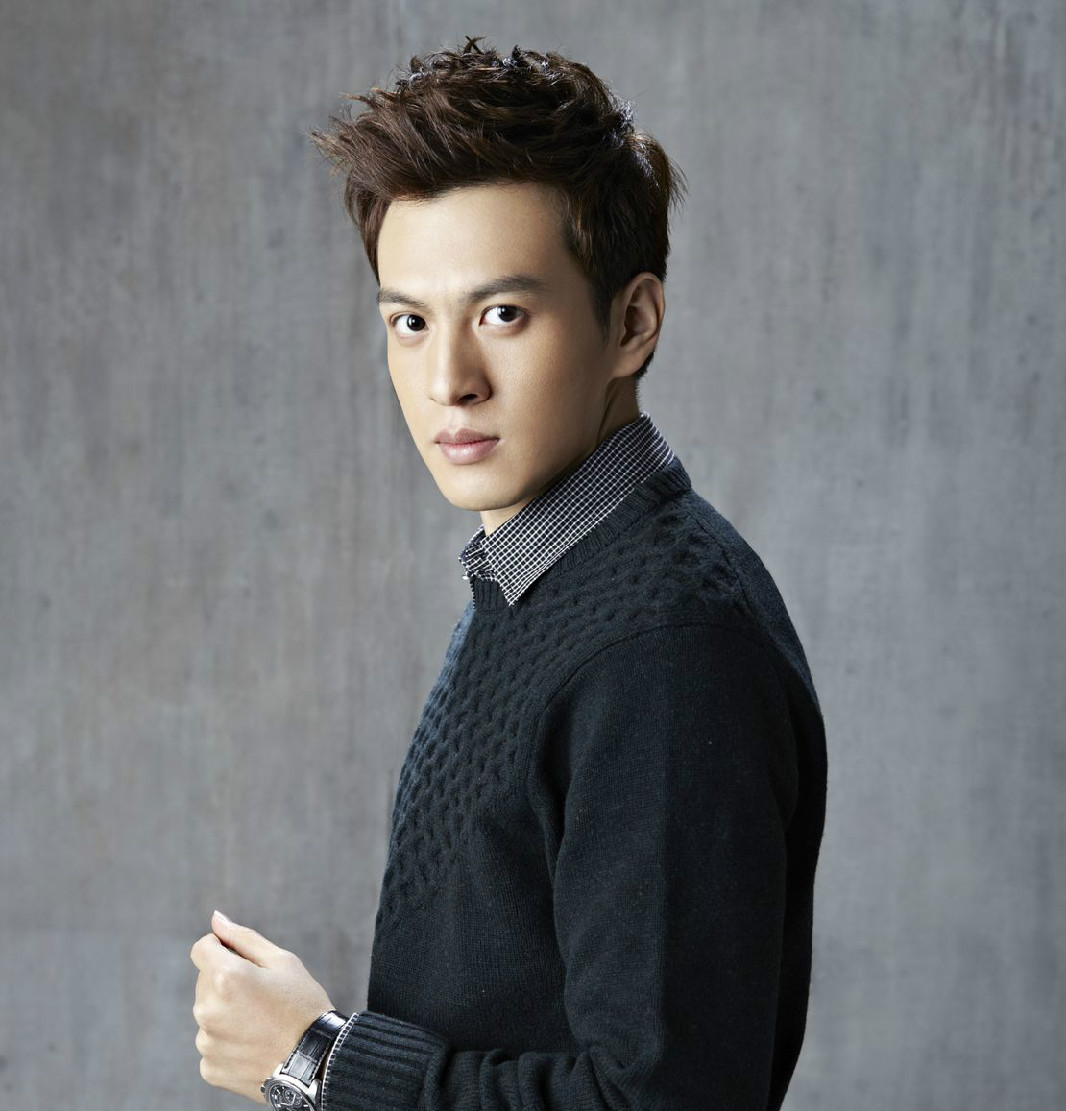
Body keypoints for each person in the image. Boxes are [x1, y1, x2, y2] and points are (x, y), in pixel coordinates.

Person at [191, 33, 827, 1111]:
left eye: (503, 314)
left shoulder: (666, 650)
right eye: (410, 321)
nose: (449, 378)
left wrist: (316, 1061)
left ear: (631, 323)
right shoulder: (545, 576)